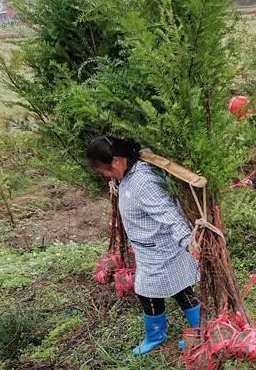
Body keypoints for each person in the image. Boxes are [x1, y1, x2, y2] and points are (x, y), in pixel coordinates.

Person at [86, 135, 201, 355]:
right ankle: (180, 332)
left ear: (118, 161)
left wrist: (189, 242)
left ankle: (165, 334)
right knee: (174, 290)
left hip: (162, 250)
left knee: (153, 291)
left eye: (105, 171)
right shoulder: (131, 173)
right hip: (150, 249)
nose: (104, 175)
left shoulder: (143, 182)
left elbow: (169, 213)